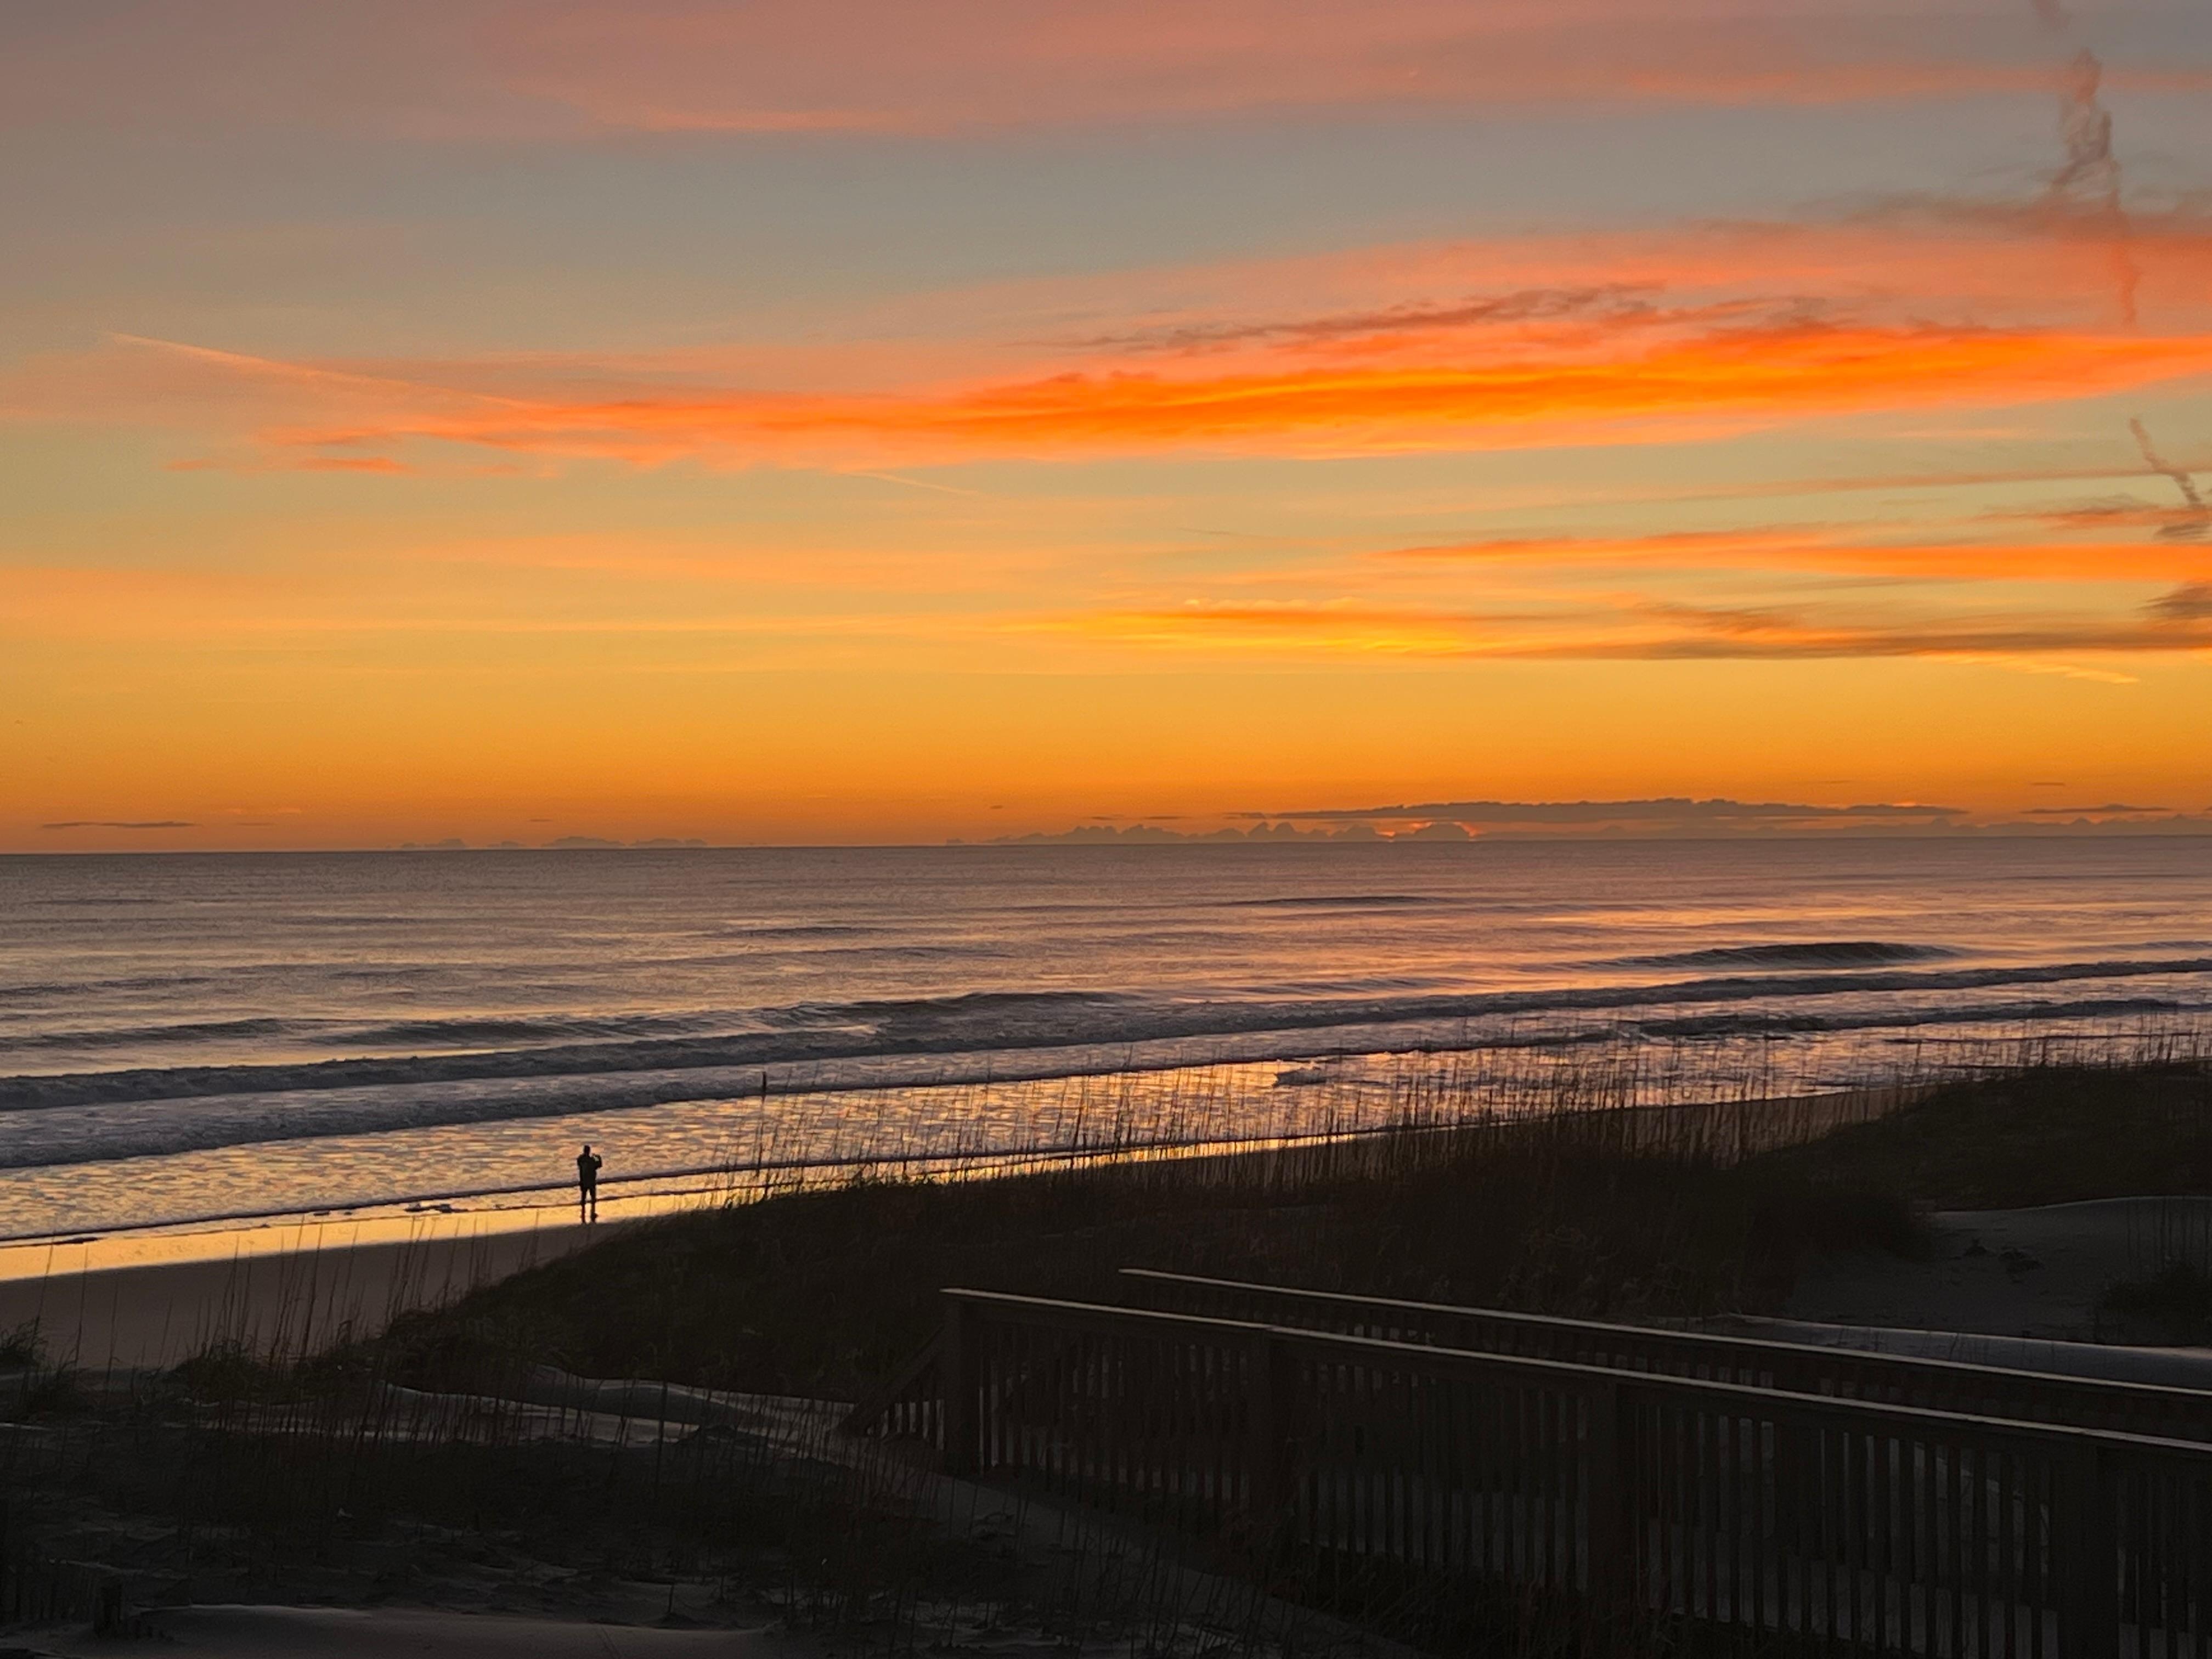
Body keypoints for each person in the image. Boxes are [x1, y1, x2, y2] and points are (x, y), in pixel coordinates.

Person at [577, 1143, 602, 1222]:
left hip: (585, 1181)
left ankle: (584, 1213)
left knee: (585, 1198)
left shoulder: (582, 1159)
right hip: (590, 1181)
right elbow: (599, 1164)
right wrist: (596, 1157)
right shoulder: (591, 1160)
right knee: (592, 1198)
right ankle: (592, 1212)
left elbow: (579, 1164)